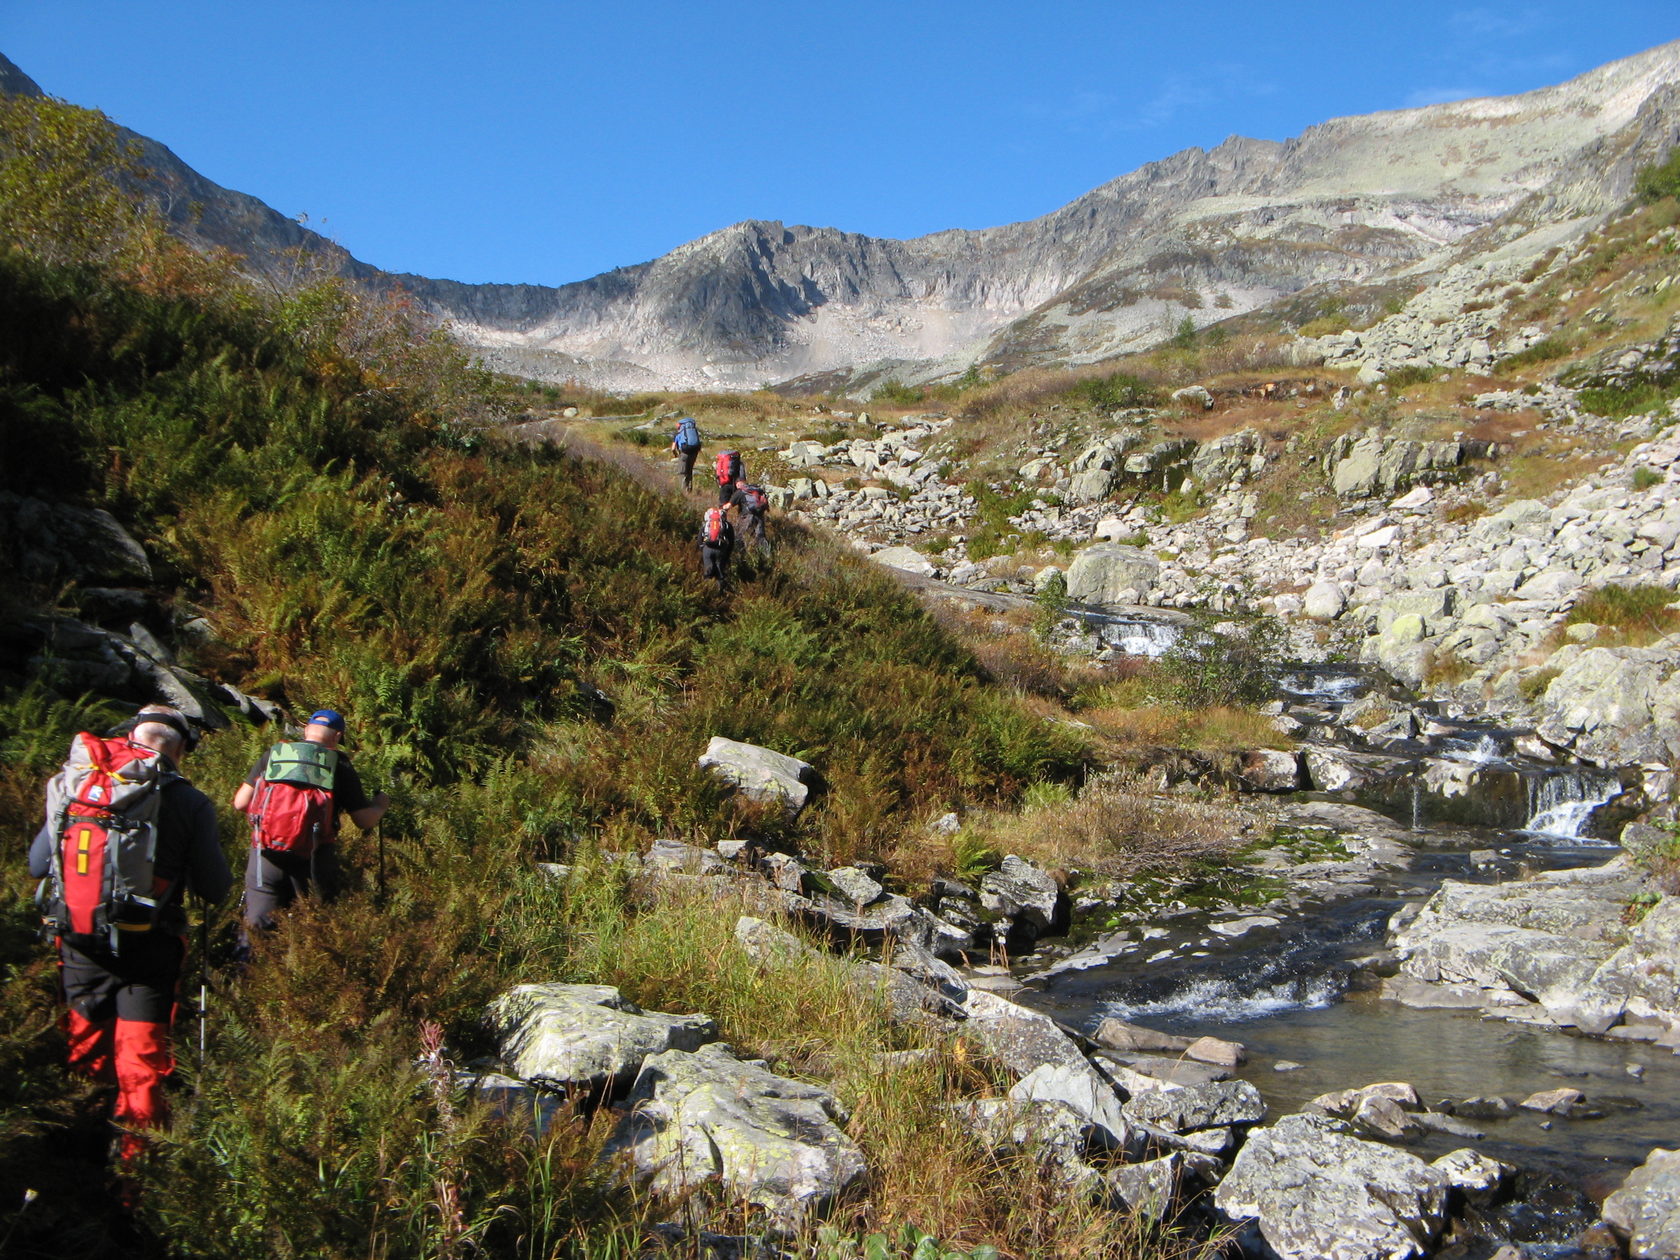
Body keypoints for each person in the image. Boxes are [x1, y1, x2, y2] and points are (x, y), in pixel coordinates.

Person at [30, 704, 232, 1158]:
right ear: (181, 749)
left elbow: (35, 864)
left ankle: (76, 1161)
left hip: (80, 939)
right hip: (150, 948)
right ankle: (134, 1172)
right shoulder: (190, 801)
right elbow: (215, 888)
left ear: (132, 734)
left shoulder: (78, 783)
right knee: (140, 1063)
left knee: (85, 1043)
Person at [234, 708, 389, 938]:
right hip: (314, 858)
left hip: (265, 855)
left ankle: (246, 970)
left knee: (257, 931)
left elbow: (240, 802)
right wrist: (381, 805)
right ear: (337, 737)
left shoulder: (276, 754)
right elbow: (364, 821)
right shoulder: (339, 764)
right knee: (312, 932)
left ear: (306, 730)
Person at [728, 478, 771, 556]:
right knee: (760, 537)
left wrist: (720, 510)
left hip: (747, 516)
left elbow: (729, 506)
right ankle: (767, 556)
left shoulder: (740, 492)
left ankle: (740, 555)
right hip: (760, 516)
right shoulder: (758, 491)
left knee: (739, 535)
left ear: (738, 484)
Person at [698, 505, 734, 591]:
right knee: (720, 573)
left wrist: (702, 549)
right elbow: (731, 541)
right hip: (721, 550)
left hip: (707, 549)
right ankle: (720, 593)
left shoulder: (706, 525)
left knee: (708, 572)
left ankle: (707, 592)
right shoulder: (727, 525)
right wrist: (727, 554)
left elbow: (699, 539)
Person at [671, 416, 703, 491]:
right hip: (694, 453)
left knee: (682, 472)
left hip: (684, 453)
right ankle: (689, 490)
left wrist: (676, 455)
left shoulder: (678, 434)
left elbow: (673, 448)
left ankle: (683, 491)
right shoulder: (693, 432)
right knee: (689, 471)